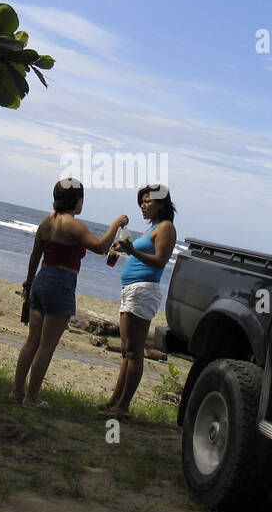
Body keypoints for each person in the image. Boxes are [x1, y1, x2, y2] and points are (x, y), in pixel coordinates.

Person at [11, 179, 127, 410]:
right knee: (46, 345)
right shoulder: (74, 225)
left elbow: (35, 255)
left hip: (41, 279)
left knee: (32, 340)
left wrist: (29, 281)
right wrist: (116, 224)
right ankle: (32, 398)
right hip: (61, 282)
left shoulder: (47, 222)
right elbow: (100, 247)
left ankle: (17, 391)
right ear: (76, 201)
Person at [100, 183, 177, 419]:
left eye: (147, 201)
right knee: (127, 350)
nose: (143, 206)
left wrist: (132, 251)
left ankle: (123, 406)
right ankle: (115, 400)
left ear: (161, 203)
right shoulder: (153, 227)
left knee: (134, 352)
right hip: (132, 290)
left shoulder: (165, 227)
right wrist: (125, 250)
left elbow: (159, 261)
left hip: (143, 291)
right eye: (141, 202)